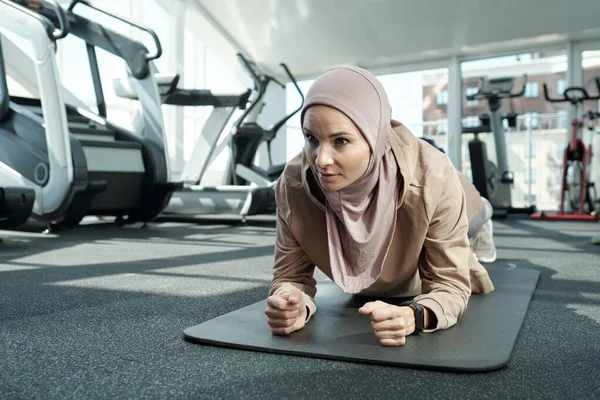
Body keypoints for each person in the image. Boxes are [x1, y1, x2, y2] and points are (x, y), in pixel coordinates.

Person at [265, 66, 496, 347]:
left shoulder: (434, 176)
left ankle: (484, 213)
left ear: (374, 137)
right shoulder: (292, 185)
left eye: (341, 141)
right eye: (312, 139)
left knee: (475, 214)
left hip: (453, 201)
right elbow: (290, 276)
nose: (321, 159)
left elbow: (449, 283)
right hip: (407, 228)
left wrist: (415, 315)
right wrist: (294, 302)